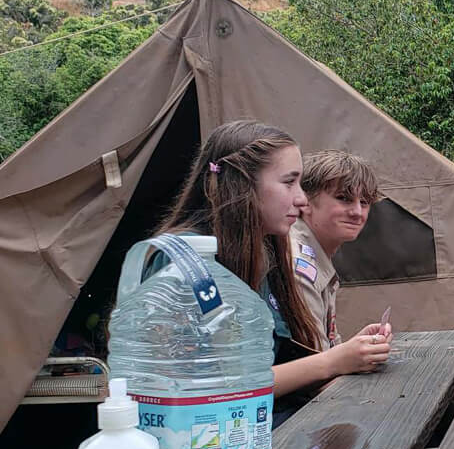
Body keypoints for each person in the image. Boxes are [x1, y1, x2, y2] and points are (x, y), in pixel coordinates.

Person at [154, 121, 392, 414]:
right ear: (242, 183)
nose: (301, 198)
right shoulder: (190, 262)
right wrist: (333, 362)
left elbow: (278, 362)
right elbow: (216, 387)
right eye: (289, 182)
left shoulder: (259, 253)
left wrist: (352, 354)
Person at [290, 150, 386, 361]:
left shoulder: (315, 251)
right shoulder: (299, 266)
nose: (357, 213)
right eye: (343, 198)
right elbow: (315, 372)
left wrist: (356, 348)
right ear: (305, 201)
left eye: (364, 202)